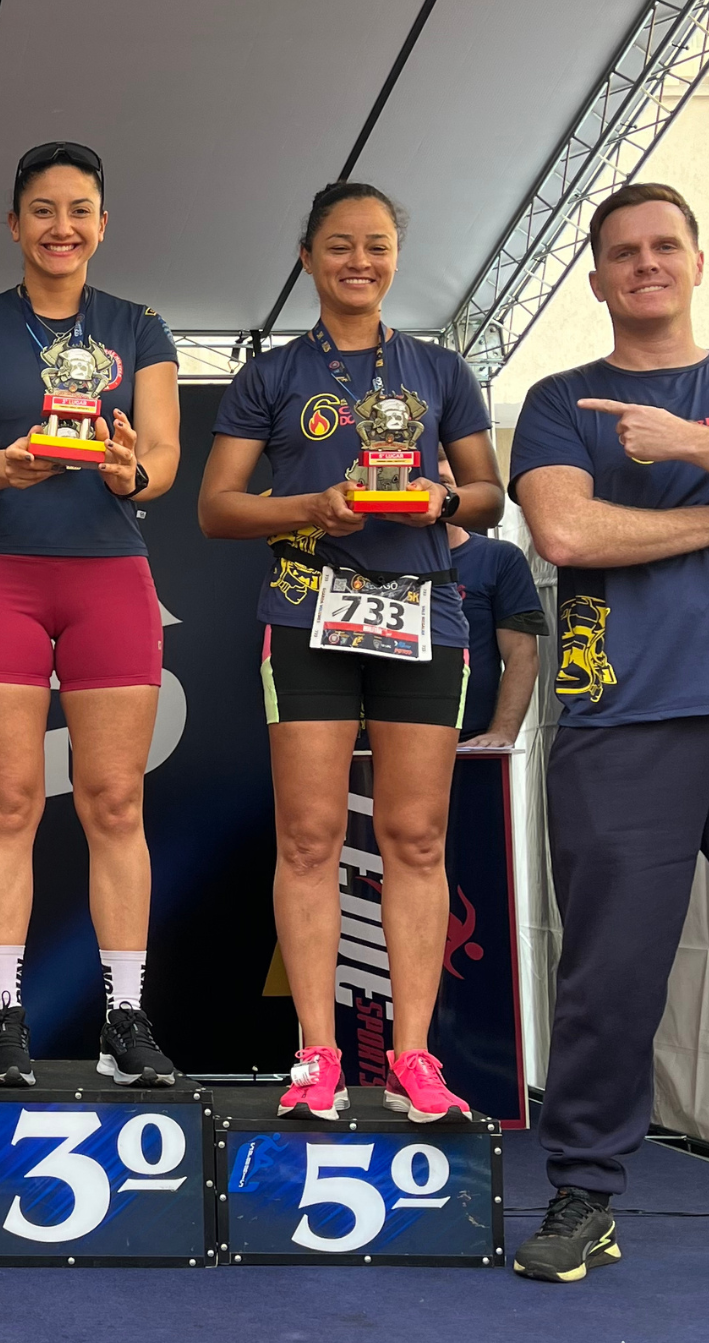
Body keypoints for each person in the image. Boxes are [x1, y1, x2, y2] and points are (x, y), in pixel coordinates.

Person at [199, 180, 505, 1122]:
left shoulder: (440, 369)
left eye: (376, 245)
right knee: (309, 837)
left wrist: (440, 500)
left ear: (396, 259)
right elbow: (217, 507)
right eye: (339, 245)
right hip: (307, 613)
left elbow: (490, 495)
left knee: (416, 837)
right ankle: (317, 1054)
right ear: (307, 258)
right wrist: (311, 507)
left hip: (424, 617)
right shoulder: (272, 375)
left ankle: (414, 1056)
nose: (358, 261)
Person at [507, 183, 709, 1282]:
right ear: (598, 278)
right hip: (619, 718)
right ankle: (584, 1192)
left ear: (698, 261)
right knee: (608, 977)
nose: (645, 262)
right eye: (622, 251)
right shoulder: (561, 399)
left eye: (664, 245)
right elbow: (565, 531)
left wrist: (692, 445)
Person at [0, 142, 183, 1088]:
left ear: (102, 226)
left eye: (79, 210)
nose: (61, 227)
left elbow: (163, 455)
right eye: (42, 210)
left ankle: (125, 1016)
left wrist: (131, 474)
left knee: (115, 801)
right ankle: (4, 1018)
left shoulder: (140, 327)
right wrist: (6, 464)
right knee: (8, 802)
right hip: (2, 574)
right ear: (14, 224)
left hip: (109, 574)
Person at [438, 459, 549, 749]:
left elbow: (522, 654)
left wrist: (502, 733)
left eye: (444, 483)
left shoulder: (500, 559)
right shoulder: (373, 560)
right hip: (379, 738)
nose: (431, 492)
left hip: (471, 741)